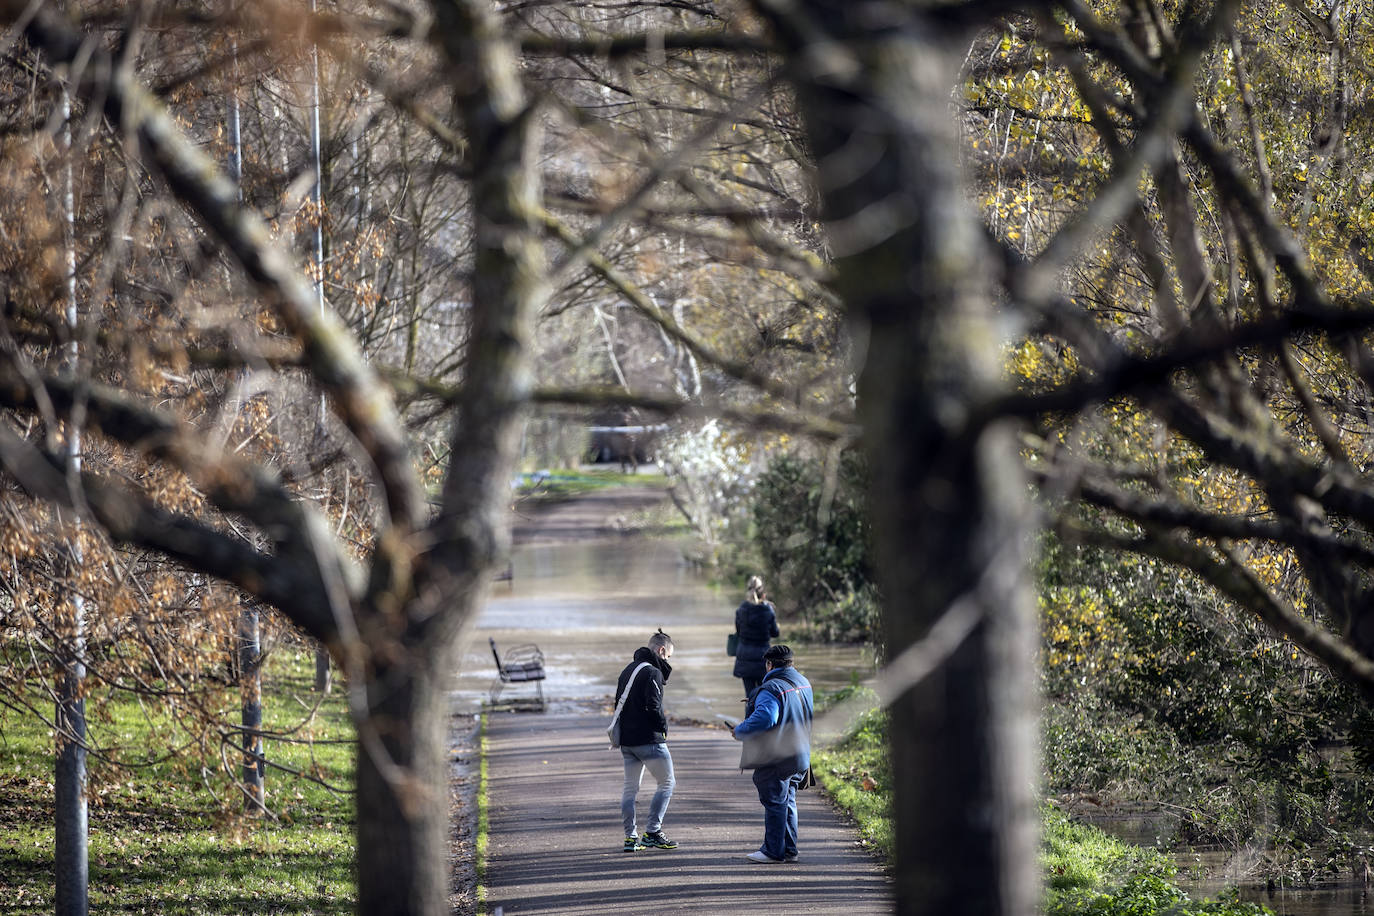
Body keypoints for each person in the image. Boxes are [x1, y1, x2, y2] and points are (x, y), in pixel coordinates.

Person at [732, 643, 813, 864]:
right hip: (800, 755)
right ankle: (789, 849)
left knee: (776, 802)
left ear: (769, 664)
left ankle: (773, 851)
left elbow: (766, 718)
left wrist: (740, 730)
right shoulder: (804, 683)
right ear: (791, 663)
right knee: (789, 801)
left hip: (778, 756)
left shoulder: (772, 688)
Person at [614, 628, 679, 852]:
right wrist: (663, 729)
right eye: (668, 656)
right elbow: (654, 707)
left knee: (630, 788)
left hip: (627, 741)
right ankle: (652, 832)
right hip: (648, 740)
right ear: (661, 650)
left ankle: (631, 838)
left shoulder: (628, 670)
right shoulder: (652, 672)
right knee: (667, 782)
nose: (668, 660)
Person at [732, 575, 780, 697]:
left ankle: (749, 716)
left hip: (744, 657)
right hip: (763, 659)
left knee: (749, 697)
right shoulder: (768, 610)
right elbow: (775, 633)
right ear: (763, 593)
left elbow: (739, 632)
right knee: (763, 695)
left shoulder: (741, 609)